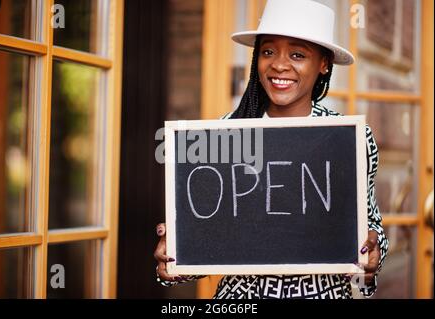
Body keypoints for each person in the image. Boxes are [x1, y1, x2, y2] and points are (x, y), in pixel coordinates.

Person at [154, 0, 389, 299]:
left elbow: (371, 226)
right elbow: (208, 243)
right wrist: (174, 255)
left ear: (323, 63)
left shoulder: (349, 138)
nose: (278, 64)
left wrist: (372, 251)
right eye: (267, 51)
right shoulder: (223, 134)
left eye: (297, 54)